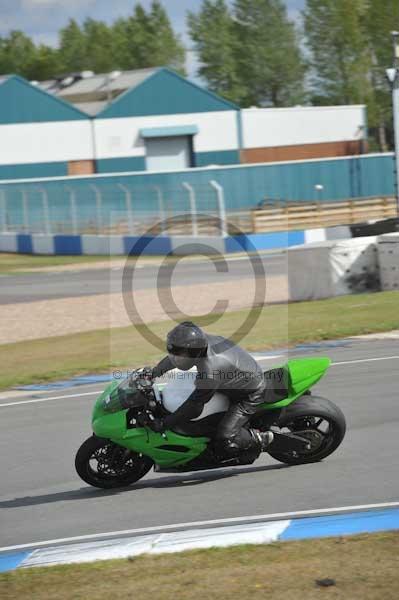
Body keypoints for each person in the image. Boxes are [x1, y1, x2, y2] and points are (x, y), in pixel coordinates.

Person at [147, 321, 274, 458]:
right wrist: (153, 373)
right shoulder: (197, 343)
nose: (176, 358)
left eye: (181, 354)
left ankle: (259, 438)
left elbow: (194, 408)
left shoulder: (210, 371)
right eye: (175, 352)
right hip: (231, 378)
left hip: (250, 394)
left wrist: (165, 423)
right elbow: (175, 358)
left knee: (225, 437)